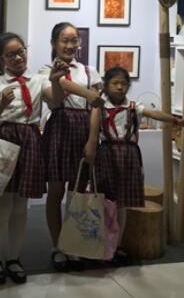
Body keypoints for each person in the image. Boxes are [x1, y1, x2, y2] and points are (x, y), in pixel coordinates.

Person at [0, 32, 66, 285]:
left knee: (20, 207)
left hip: (30, 141)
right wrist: (1, 104)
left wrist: (56, 81)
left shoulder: (39, 80)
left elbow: (56, 101)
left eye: (21, 51)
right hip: (3, 140)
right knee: (0, 207)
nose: (18, 57)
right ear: (1, 59)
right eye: (11, 54)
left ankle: (14, 258)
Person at [84, 66, 184, 263]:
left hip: (129, 156)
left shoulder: (134, 107)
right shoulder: (100, 106)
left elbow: (154, 114)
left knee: (122, 203)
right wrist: (90, 147)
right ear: (106, 85)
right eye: (115, 83)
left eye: (124, 84)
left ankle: (117, 246)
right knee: (104, 201)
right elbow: (93, 130)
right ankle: (100, 244)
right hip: (106, 155)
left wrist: (177, 121)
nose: (120, 87)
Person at [39, 22, 103, 272]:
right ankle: (58, 246)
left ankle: (74, 243)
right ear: (54, 43)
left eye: (74, 40)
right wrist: (59, 81)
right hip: (59, 128)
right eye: (64, 40)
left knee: (77, 193)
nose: (69, 45)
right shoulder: (45, 70)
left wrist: (92, 140)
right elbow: (55, 98)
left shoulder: (89, 70)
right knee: (55, 192)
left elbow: (96, 106)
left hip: (84, 129)